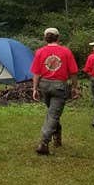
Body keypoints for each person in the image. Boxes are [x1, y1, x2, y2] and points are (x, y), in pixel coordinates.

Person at [31, 27, 79, 155]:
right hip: (59, 86)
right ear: (58, 37)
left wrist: (35, 88)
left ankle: (57, 135)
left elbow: (36, 73)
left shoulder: (40, 52)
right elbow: (73, 72)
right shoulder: (66, 51)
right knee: (53, 114)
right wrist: (74, 87)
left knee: (52, 113)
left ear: (45, 37)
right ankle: (44, 143)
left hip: (44, 85)